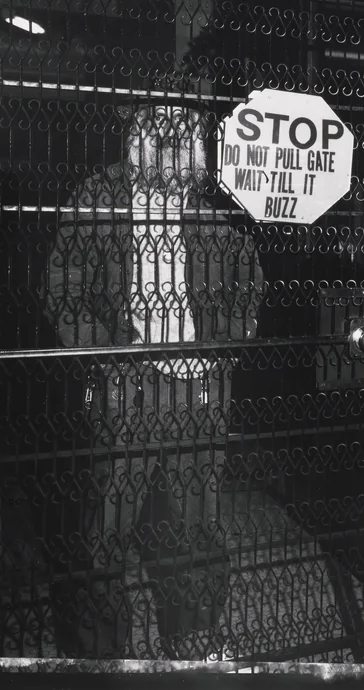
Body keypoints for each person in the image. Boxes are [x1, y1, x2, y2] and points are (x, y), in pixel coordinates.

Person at [43, 101, 263, 659]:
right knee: (106, 538)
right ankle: (103, 658)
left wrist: (217, 353)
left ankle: (193, 648)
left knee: (198, 532)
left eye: (183, 131)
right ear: (135, 135)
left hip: (200, 390)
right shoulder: (98, 199)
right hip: (128, 389)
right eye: (156, 129)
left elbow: (250, 286)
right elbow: (63, 291)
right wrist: (111, 357)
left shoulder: (214, 209)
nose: (171, 141)